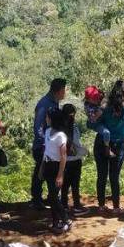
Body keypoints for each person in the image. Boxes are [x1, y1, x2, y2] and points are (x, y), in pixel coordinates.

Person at [92, 80, 124, 213]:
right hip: (118, 144)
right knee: (114, 176)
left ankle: (101, 205)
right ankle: (116, 207)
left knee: (101, 175)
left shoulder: (104, 106)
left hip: (101, 142)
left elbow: (93, 122)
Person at [32, 79, 68, 210]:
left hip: (50, 144)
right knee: (41, 173)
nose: (65, 92)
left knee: (48, 173)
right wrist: (45, 144)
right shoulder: (44, 104)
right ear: (59, 91)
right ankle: (37, 200)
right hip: (43, 145)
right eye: (64, 90)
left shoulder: (54, 102)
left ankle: (50, 199)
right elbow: (38, 127)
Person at [42, 107, 73, 234]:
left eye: (47, 117)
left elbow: (63, 156)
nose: (46, 119)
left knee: (53, 197)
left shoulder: (61, 136)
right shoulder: (47, 131)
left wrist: (60, 175)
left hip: (56, 167)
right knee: (52, 196)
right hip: (47, 165)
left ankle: (66, 219)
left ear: (52, 118)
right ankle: (56, 222)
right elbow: (46, 150)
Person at [60, 104, 88, 214]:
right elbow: (76, 142)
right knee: (75, 184)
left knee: (65, 185)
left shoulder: (59, 128)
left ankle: (64, 205)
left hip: (63, 160)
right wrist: (83, 150)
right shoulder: (74, 127)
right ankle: (76, 205)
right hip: (75, 159)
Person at [82, 85, 111, 149]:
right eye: (94, 99)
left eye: (97, 98)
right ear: (88, 99)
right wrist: (100, 112)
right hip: (95, 124)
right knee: (106, 133)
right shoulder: (88, 107)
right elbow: (93, 119)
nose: (97, 100)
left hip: (101, 120)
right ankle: (107, 148)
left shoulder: (98, 98)